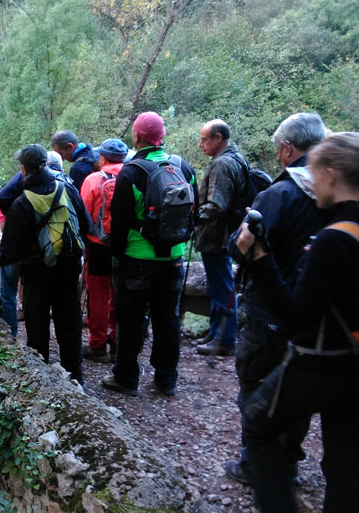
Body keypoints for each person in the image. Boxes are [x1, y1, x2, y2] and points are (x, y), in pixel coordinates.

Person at [234, 132, 359, 513]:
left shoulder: (333, 240)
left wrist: (259, 255)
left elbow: (295, 314)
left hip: (320, 359)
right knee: (346, 461)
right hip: (356, 363)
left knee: (259, 419)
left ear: (330, 174)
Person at [224, 112, 328, 485]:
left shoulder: (280, 194)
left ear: (287, 148)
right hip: (316, 314)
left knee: (256, 385)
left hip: (269, 309)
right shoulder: (340, 192)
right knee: (295, 387)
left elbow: (242, 249)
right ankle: (287, 459)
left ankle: (258, 465)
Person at [103, 112, 197, 397]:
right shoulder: (184, 168)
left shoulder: (131, 172)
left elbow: (118, 222)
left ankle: (127, 377)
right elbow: (193, 214)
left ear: (137, 136)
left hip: (137, 259)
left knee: (131, 319)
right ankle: (166, 378)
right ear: (162, 136)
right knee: (167, 318)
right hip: (173, 257)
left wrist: (116, 257)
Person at [0, 144, 89, 384]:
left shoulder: (23, 203)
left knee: (37, 328)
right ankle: (75, 379)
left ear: (23, 169)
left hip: (37, 275)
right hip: (68, 270)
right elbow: (84, 225)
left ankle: (42, 382)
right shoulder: (67, 189)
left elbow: (11, 252)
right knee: (69, 326)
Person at [193, 119, 247, 356]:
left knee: (222, 287)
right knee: (220, 286)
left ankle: (224, 340)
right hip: (225, 235)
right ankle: (216, 333)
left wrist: (192, 215)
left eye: (204, 139)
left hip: (218, 236)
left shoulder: (223, 163)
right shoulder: (234, 159)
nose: (200, 144)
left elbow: (217, 205)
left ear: (218, 138)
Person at [79, 138, 129, 361]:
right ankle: (118, 341)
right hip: (127, 247)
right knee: (120, 294)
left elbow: (83, 214)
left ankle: (97, 344)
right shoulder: (132, 176)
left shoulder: (92, 179)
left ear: (102, 157)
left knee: (97, 296)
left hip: (98, 246)